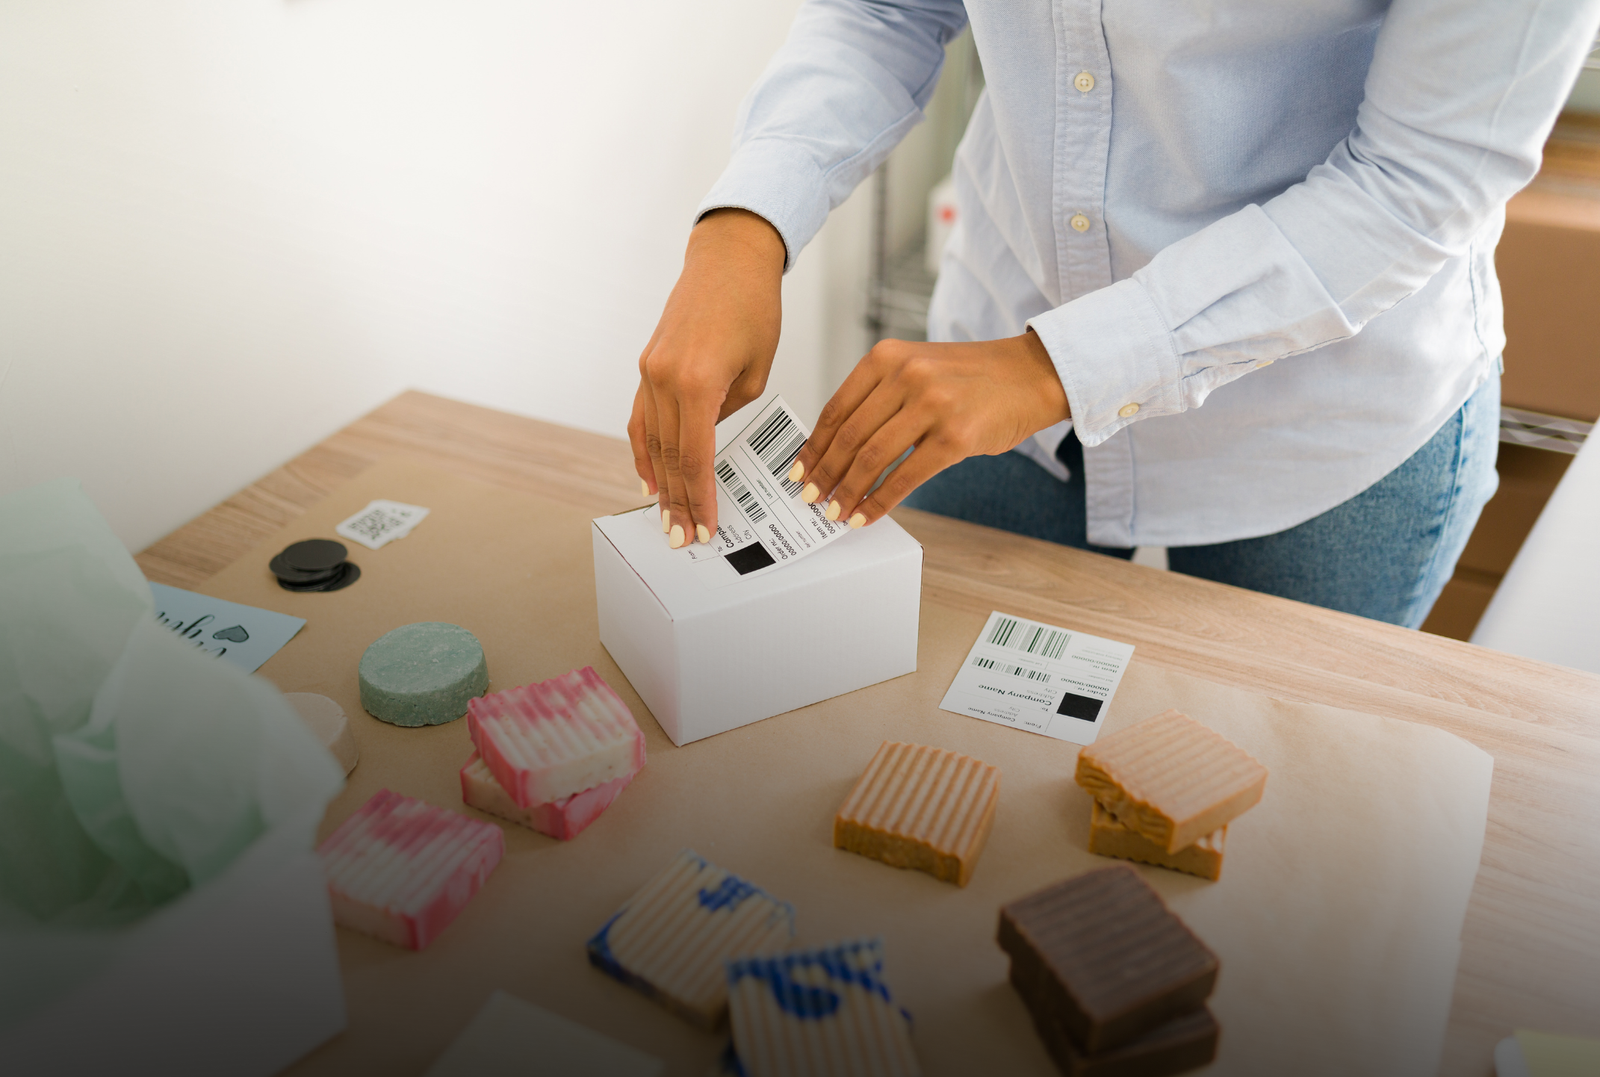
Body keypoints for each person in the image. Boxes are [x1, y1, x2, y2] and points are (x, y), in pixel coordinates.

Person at [628, 1, 1599, 627]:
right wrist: (743, 229)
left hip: (1317, 424)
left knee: (1271, 829)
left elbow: (1421, 181)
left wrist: (1058, 366)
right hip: (1004, 352)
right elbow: (889, 8)